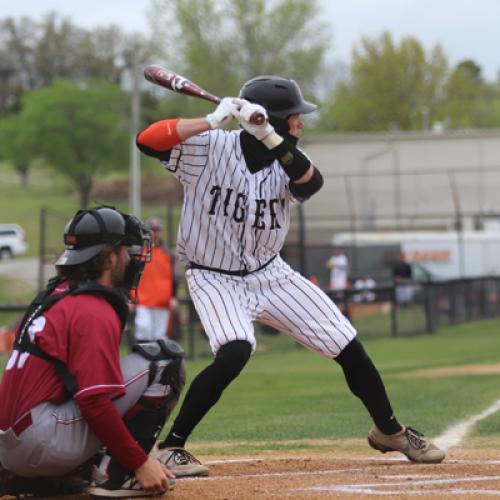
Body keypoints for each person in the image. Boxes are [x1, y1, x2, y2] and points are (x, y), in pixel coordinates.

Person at [136, 75, 445, 476]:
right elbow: (148, 140)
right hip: (213, 275)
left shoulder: (287, 160)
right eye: (295, 117)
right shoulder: (209, 147)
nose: (300, 123)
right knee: (234, 350)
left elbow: (311, 182)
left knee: (347, 344)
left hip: (271, 273)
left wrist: (267, 134)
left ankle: (390, 432)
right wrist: (212, 120)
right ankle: (171, 448)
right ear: (280, 118)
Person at [0, 206, 186, 498]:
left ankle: (40, 479)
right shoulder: (92, 308)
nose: (132, 257)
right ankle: (116, 476)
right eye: (126, 249)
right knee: (164, 361)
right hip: (44, 441)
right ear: (109, 257)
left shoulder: (54, 294)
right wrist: (138, 462)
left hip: (12, 448)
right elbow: (95, 402)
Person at [134, 217, 177, 342]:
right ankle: (142, 358)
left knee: (159, 335)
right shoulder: (139, 252)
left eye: (157, 230)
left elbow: (175, 276)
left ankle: (157, 361)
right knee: (143, 329)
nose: (154, 233)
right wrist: (131, 295)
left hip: (162, 299)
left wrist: (173, 296)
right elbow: (133, 275)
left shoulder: (168, 253)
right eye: (152, 230)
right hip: (143, 298)